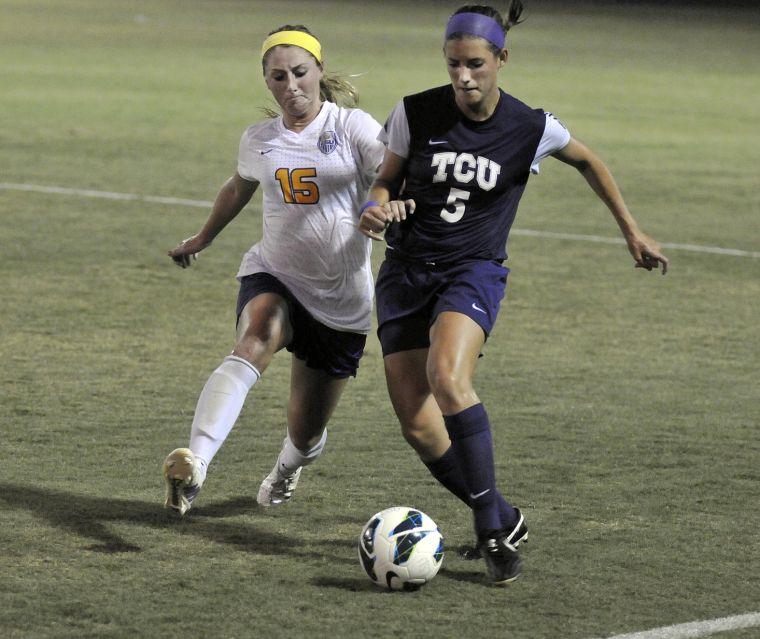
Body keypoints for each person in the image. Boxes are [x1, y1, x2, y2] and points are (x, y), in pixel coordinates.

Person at [358, 1, 668, 585]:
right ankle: (503, 514)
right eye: (453, 64)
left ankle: (490, 532)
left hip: (471, 270)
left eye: (475, 64)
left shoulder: (529, 126)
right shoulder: (415, 111)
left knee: (449, 379)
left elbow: (588, 160)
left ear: (502, 58)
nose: (463, 77)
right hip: (404, 273)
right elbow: (385, 178)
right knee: (418, 425)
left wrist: (632, 230)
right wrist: (377, 208)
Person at [162, 25, 385, 515]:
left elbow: (392, 171)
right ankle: (195, 464)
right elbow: (238, 187)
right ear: (266, 81)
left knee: (305, 434)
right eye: (279, 76)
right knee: (254, 337)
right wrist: (203, 238)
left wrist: (383, 206)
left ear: (320, 72)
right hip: (275, 275)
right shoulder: (260, 139)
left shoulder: (353, 128)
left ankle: (287, 469)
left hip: (341, 302)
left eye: (300, 73)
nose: (291, 86)